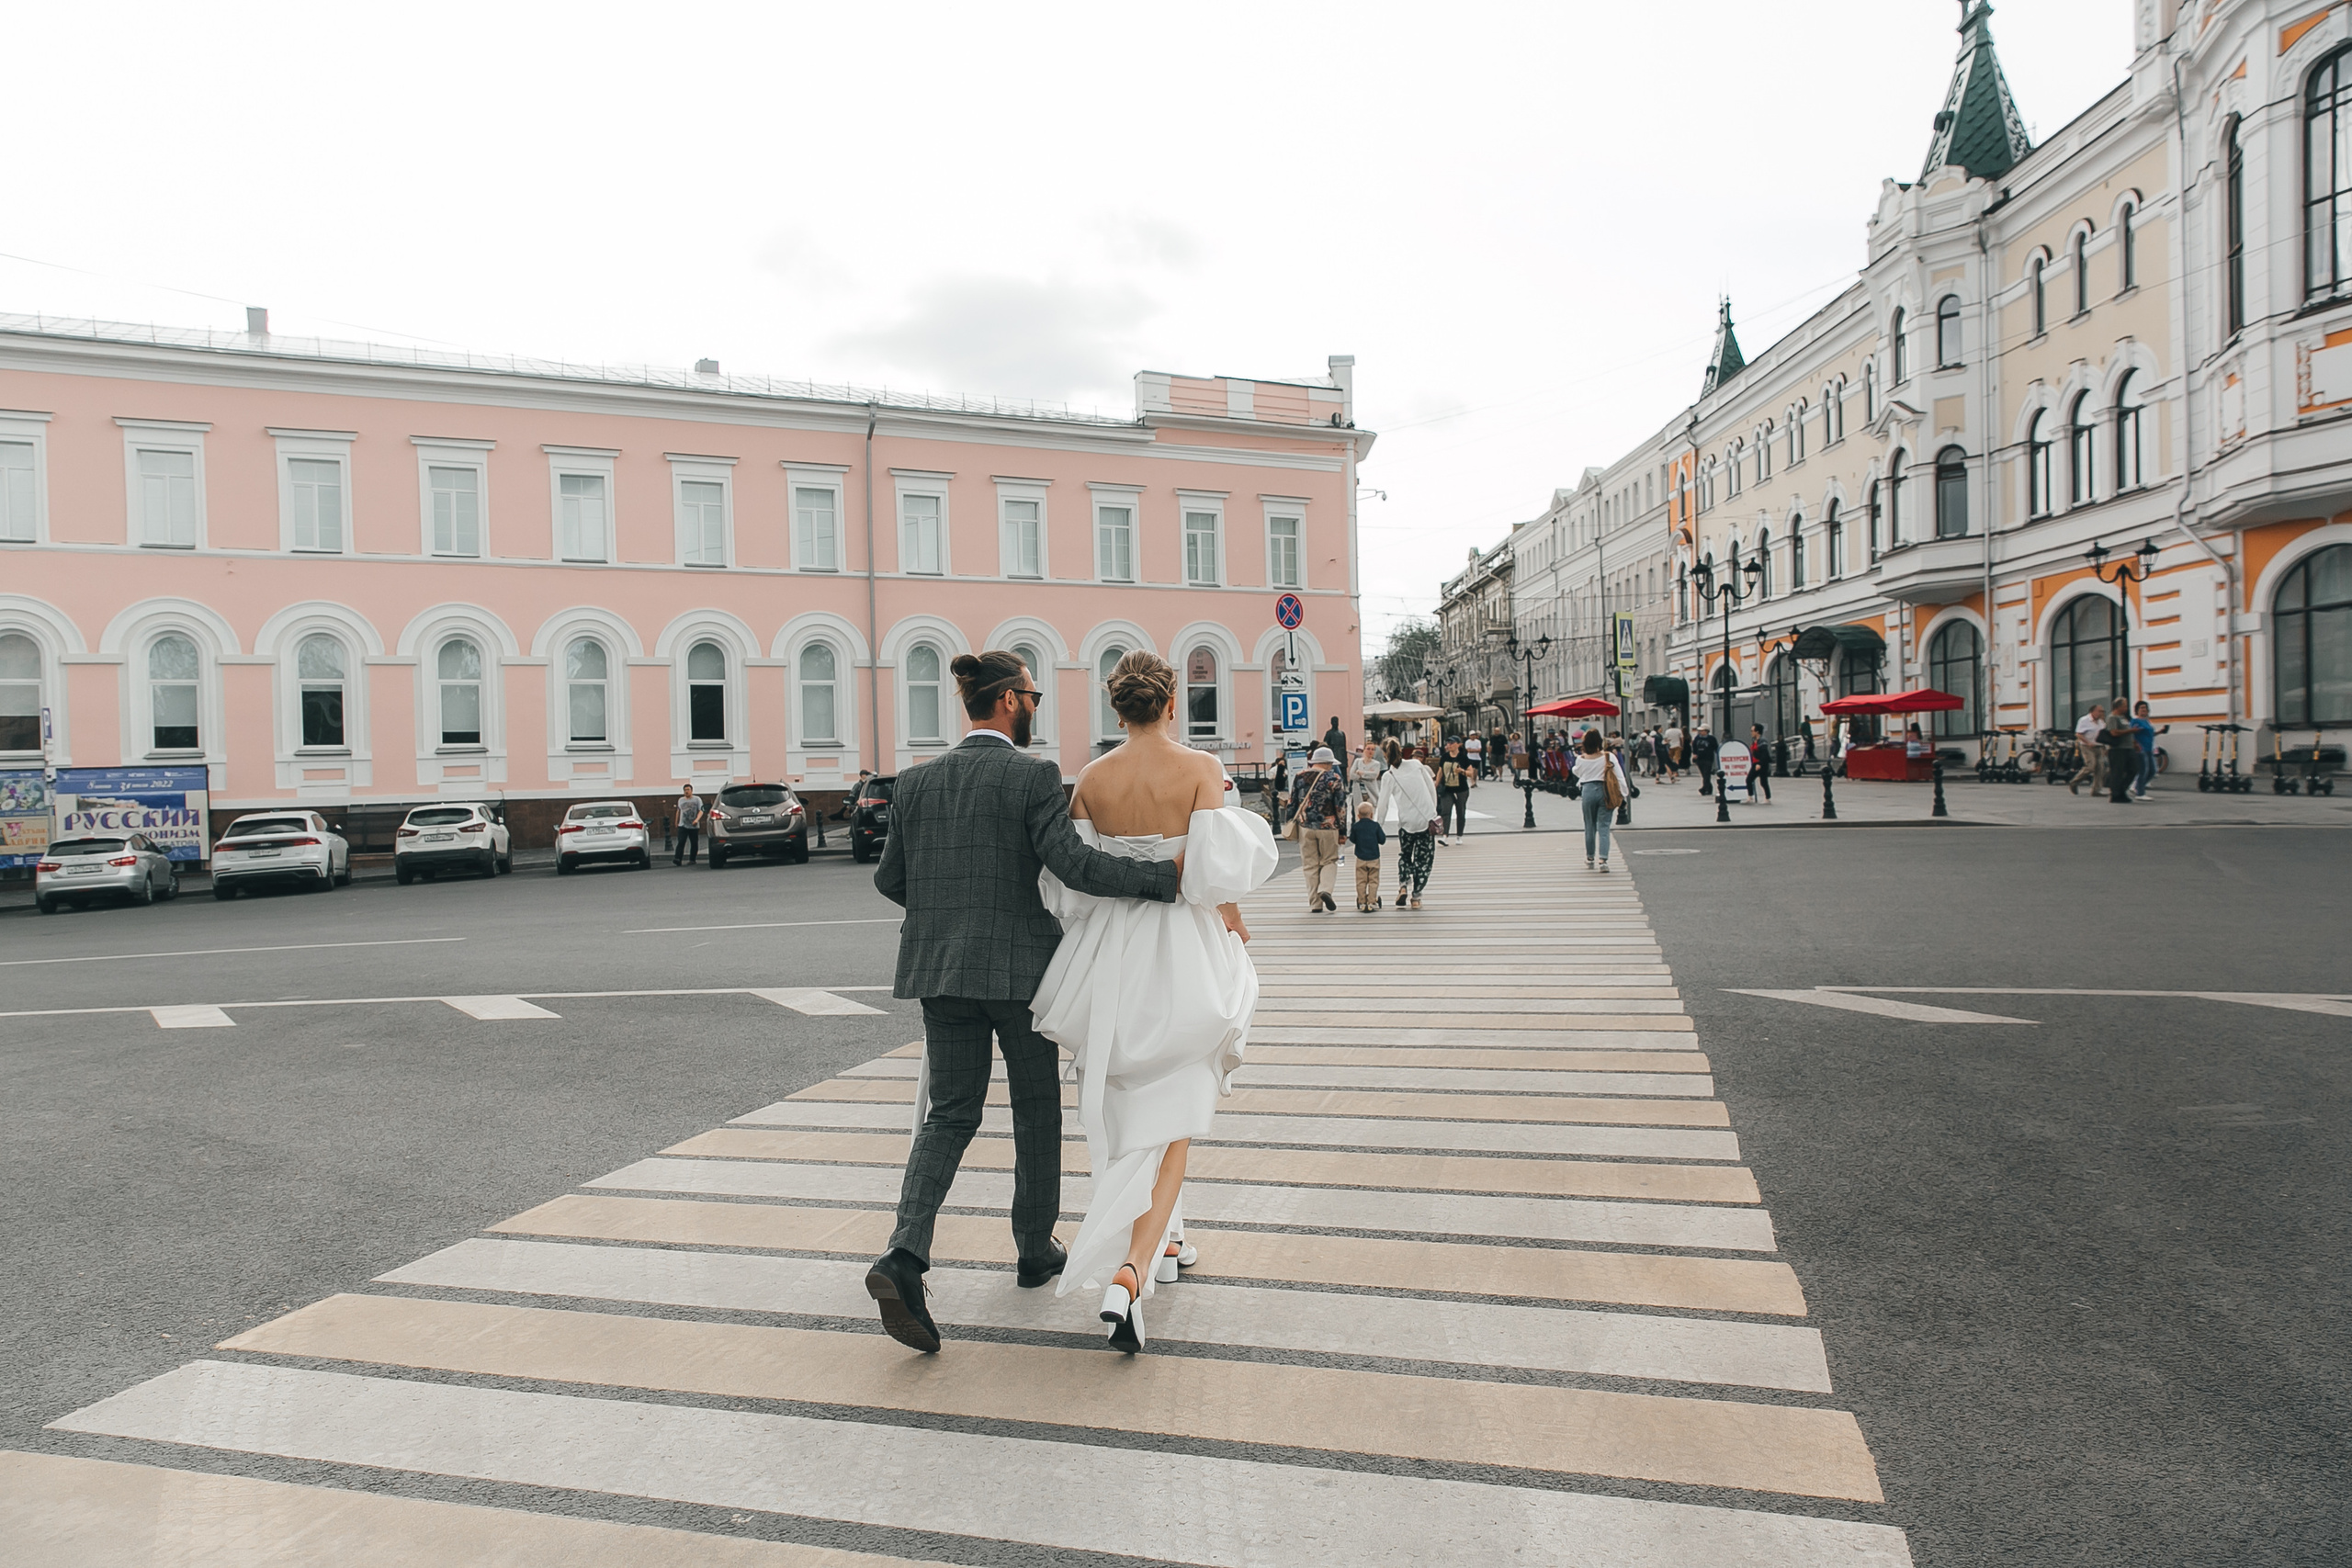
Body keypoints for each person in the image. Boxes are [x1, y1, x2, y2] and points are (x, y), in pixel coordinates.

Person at [864, 650, 1189, 1355]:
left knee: (948, 1114)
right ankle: (1033, 1246)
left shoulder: (916, 783)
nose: (1035, 702)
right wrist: (1163, 879)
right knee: (1035, 1107)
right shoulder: (1031, 774)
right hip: (1019, 974)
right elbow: (1072, 865)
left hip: (938, 971)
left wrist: (947, 912)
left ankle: (904, 1256)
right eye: (1032, 693)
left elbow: (893, 879)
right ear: (1011, 699)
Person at [1032, 649, 1276, 1352]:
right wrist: (1233, 920)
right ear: (1172, 702)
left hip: (1112, 947)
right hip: (1180, 942)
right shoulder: (1200, 769)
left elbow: (1072, 886)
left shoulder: (1093, 778)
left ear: (1117, 709)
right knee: (1176, 1105)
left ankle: (1166, 1243)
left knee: (1129, 1097)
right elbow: (1208, 873)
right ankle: (1132, 1270)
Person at [1374, 742, 1440, 909]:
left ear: (1385, 755)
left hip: (1406, 822)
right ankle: (1416, 897)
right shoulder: (1417, 765)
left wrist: (1378, 825)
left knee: (1405, 855)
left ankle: (1403, 884)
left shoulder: (1389, 775)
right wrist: (1433, 811)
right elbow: (1431, 788)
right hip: (1425, 820)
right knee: (1424, 859)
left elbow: (1383, 803)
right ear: (1402, 751)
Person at [1286, 746, 1348, 912]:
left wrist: (1289, 822)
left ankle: (1315, 904)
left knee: (1310, 864)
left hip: (1305, 826)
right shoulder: (1334, 778)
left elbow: (1292, 802)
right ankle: (1325, 890)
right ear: (1328, 763)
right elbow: (1340, 807)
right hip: (1328, 827)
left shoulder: (1300, 777)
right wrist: (1343, 831)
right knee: (1329, 860)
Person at [1572, 729, 1629, 872]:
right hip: (1605, 791)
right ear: (1600, 742)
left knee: (1589, 826)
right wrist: (1624, 794)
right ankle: (1603, 861)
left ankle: (1590, 858)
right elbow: (1619, 775)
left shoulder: (1581, 758)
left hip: (1588, 790)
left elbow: (1577, 772)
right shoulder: (1608, 756)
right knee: (1604, 826)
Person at [1348, 800, 1386, 911]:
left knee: (1361, 881)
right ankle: (1372, 901)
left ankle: (1362, 901)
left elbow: (1352, 839)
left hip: (1360, 858)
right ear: (1372, 814)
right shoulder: (1375, 826)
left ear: (1358, 816)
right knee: (1373, 880)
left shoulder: (1356, 827)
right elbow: (1382, 840)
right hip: (1374, 858)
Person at [1433, 739, 1471, 840]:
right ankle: (1444, 835)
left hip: (1461, 789)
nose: (1449, 745)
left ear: (1458, 745)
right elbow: (1440, 771)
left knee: (1461, 812)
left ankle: (1459, 835)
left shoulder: (1463, 757)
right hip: (1447, 789)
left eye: (1452, 743)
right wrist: (1436, 784)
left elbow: (1471, 773)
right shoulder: (1445, 757)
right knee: (1445, 811)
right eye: (1448, 743)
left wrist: (1462, 771)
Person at [2070, 703, 2108, 795]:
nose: (2101, 713)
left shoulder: (2101, 722)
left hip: (2099, 746)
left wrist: (2105, 747)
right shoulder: (2084, 720)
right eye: (2099, 711)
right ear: (2093, 711)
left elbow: (2104, 735)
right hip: (2087, 746)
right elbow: (2078, 734)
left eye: (2102, 711)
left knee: (2100, 767)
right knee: (2090, 766)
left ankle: (2096, 790)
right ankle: (2074, 782)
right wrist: (2088, 742)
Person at [2105, 709, 2141, 804]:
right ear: (2119, 706)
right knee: (2117, 772)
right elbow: (2114, 732)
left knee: (2134, 769)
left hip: (2129, 748)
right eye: (2124, 705)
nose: (2126, 707)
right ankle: (2116, 794)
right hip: (2118, 748)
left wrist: (2134, 744)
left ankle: (2122, 790)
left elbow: (2130, 734)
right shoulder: (2112, 717)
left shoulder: (2124, 718)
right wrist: (2130, 730)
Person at [2132, 701, 2163, 797]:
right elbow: (2131, 734)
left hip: (2149, 748)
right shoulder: (2135, 721)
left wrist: (2161, 731)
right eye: (2141, 708)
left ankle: (2138, 786)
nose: (2144, 710)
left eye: (2145, 708)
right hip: (2141, 748)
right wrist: (2135, 744)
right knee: (2143, 770)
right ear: (2137, 710)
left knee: (2152, 771)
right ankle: (2140, 792)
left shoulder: (2147, 721)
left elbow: (2150, 734)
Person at [672, 783, 704, 865]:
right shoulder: (681, 800)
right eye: (685, 790)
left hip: (693, 825)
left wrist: (697, 820)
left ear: (691, 791)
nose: (687, 792)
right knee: (681, 841)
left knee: (694, 843)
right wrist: (676, 821)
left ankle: (692, 859)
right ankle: (678, 858)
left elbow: (701, 810)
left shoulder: (697, 799)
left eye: (688, 790)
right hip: (683, 825)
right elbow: (678, 811)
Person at [1690, 723, 1719, 796]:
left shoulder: (1711, 739)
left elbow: (1715, 747)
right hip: (1699, 758)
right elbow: (1694, 747)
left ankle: (1704, 788)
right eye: (1700, 731)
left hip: (1708, 758)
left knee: (1706, 773)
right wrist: (1695, 754)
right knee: (1704, 774)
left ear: (1706, 731)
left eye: (1702, 731)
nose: (1700, 732)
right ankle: (1709, 788)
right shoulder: (1697, 738)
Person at [1747, 724, 1773, 803]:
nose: (1751, 732)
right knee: (1749, 779)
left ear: (1757, 732)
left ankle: (1767, 798)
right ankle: (1750, 796)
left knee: (1763, 781)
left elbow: (1764, 753)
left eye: (1752, 731)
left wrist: (1760, 764)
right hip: (1755, 763)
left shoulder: (1762, 741)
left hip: (1761, 763)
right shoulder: (1754, 741)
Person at [1322, 716, 1350, 782]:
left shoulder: (1342, 733)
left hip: (1342, 757)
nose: (1335, 723)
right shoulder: (1329, 733)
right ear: (1331, 723)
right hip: (1334, 756)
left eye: (1336, 722)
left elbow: (1344, 746)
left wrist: (1345, 759)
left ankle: (1345, 786)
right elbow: (1325, 746)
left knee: (1343, 774)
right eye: (1334, 722)